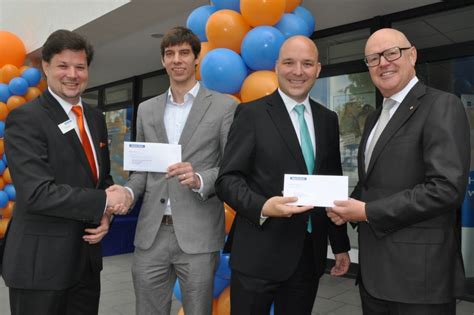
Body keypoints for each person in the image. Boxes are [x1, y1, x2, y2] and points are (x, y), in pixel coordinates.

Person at [327, 28, 470, 314]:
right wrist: (343, 206)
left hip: (420, 280)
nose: (383, 62)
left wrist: (367, 211)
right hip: (374, 277)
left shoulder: (441, 105)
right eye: (373, 58)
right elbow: (372, 183)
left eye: (392, 53)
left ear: (412, 55)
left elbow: (446, 188)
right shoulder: (374, 117)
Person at [215, 35, 351, 315]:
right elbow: (227, 180)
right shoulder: (251, 114)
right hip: (258, 255)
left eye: (307, 63)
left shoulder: (328, 119)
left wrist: (340, 245)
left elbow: (331, 183)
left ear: (318, 69)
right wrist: (263, 206)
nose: (298, 71)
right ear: (277, 67)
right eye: (289, 62)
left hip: (307, 258)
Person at [108, 27, 237, 315]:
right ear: (163, 60)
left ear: (196, 59)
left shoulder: (224, 107)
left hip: (199, 233)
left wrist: (201, 178)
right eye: (170, 54)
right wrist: (128, 192)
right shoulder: (147, 109)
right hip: (151, 234)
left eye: (184, 53)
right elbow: (140, 170)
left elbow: (231, 168)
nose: (177, 60)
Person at [1, 29, 126, 315]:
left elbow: (100, 179)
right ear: (45, 67)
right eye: (63, 65)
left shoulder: (95, 118)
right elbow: (37, 193)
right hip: (40, 267)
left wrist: (104, 215)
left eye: (80, 67)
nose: (72, 74)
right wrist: (103, 202)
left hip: (85, 262)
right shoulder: (25, 118)